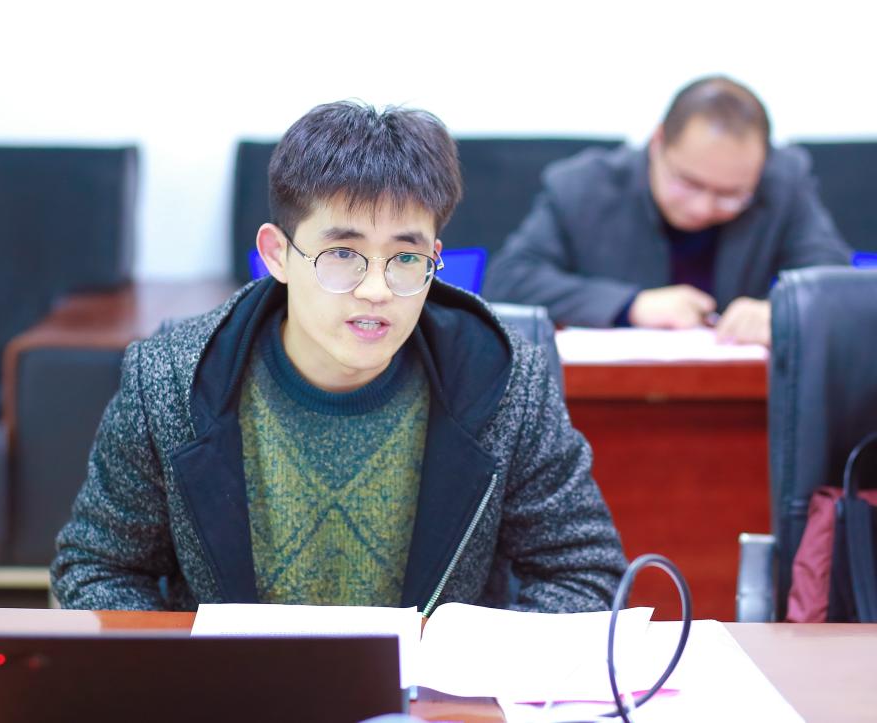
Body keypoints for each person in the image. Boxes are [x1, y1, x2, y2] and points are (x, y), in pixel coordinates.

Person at [51, 101, 626, 613]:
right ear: (277, 254)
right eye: (343, 253)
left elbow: (585, 572)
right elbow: (98, 567)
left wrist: (465, 671)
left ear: (435, 257)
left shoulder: (504, 382)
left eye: (405, 258)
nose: (376, 289)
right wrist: (191, 674)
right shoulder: (170, 382)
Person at [484, 76, 852, 345]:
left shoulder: (783, 183)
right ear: (658, 143)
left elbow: (834, 282)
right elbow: (509, 280)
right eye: (689, 183)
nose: (704, 207)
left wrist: (782, 310)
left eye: (731, 194)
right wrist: (631, 305)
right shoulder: (583, 186)